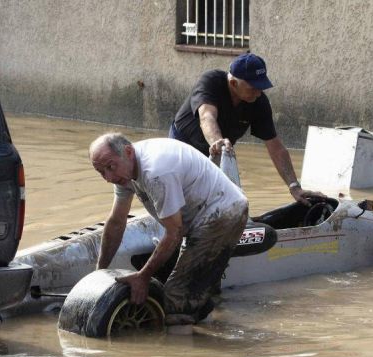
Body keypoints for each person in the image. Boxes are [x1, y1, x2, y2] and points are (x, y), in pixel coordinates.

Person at [89, 133, 249, 333]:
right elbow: (116, 222)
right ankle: (205, 322)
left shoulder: (156, 171)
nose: (108, 178)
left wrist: (143, 276)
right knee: (186, 286)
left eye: (110, 168)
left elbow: (174, 232)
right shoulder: (123, 169)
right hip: (197, 218)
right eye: (100, 172)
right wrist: (99, 272)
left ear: (128, 152)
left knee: (175, 298)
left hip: (223, 213)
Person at [170, 52, 324, 206]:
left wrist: (294, 186)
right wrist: (217, 141)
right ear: (233, 83)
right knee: (180, 201)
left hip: (217, 155)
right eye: (253, 87)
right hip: (182, 147)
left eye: (261, 87)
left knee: (221, 202)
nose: (258, 92)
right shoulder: (211, 82)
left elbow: (275, 147)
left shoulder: (258, 102)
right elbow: (207, 116)